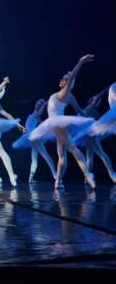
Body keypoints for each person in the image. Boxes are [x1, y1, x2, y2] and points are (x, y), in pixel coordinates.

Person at [29, 55, 96, 189]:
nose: (62, 80)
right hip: (57, 125)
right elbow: (81, 112)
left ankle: (88, 177)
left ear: (67, 84)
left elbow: (72, 78)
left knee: (72, 150)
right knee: (62, 157)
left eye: (64, 79)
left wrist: (80, 61)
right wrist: (89, 120)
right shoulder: (68, 96)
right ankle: (58, 181)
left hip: (58, 124)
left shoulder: (65, 94)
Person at [73, 87, 116, 184]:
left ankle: (87, 178)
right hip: (88, 134)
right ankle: (112, 174)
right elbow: (96, 99)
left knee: (90, 156)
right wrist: (103, 91)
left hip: (89, 135)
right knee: (101, 154)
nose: (98, 101)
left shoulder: (93, 110)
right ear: (92, 101)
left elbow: (100, 122)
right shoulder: (89, 107)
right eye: (96, 100)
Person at [12, 99, 57, 182]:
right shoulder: (33, 114)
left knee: (45, 155)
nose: (38, 104)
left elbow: (41, 119)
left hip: (33, 137)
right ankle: (30, 179)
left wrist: (47, 102)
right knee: (35, 158)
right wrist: (19, 127)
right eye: (38, 102)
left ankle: (55, 176)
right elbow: (27, 128)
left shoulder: (37, 113)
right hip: (29, 136)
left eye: (40, 103)